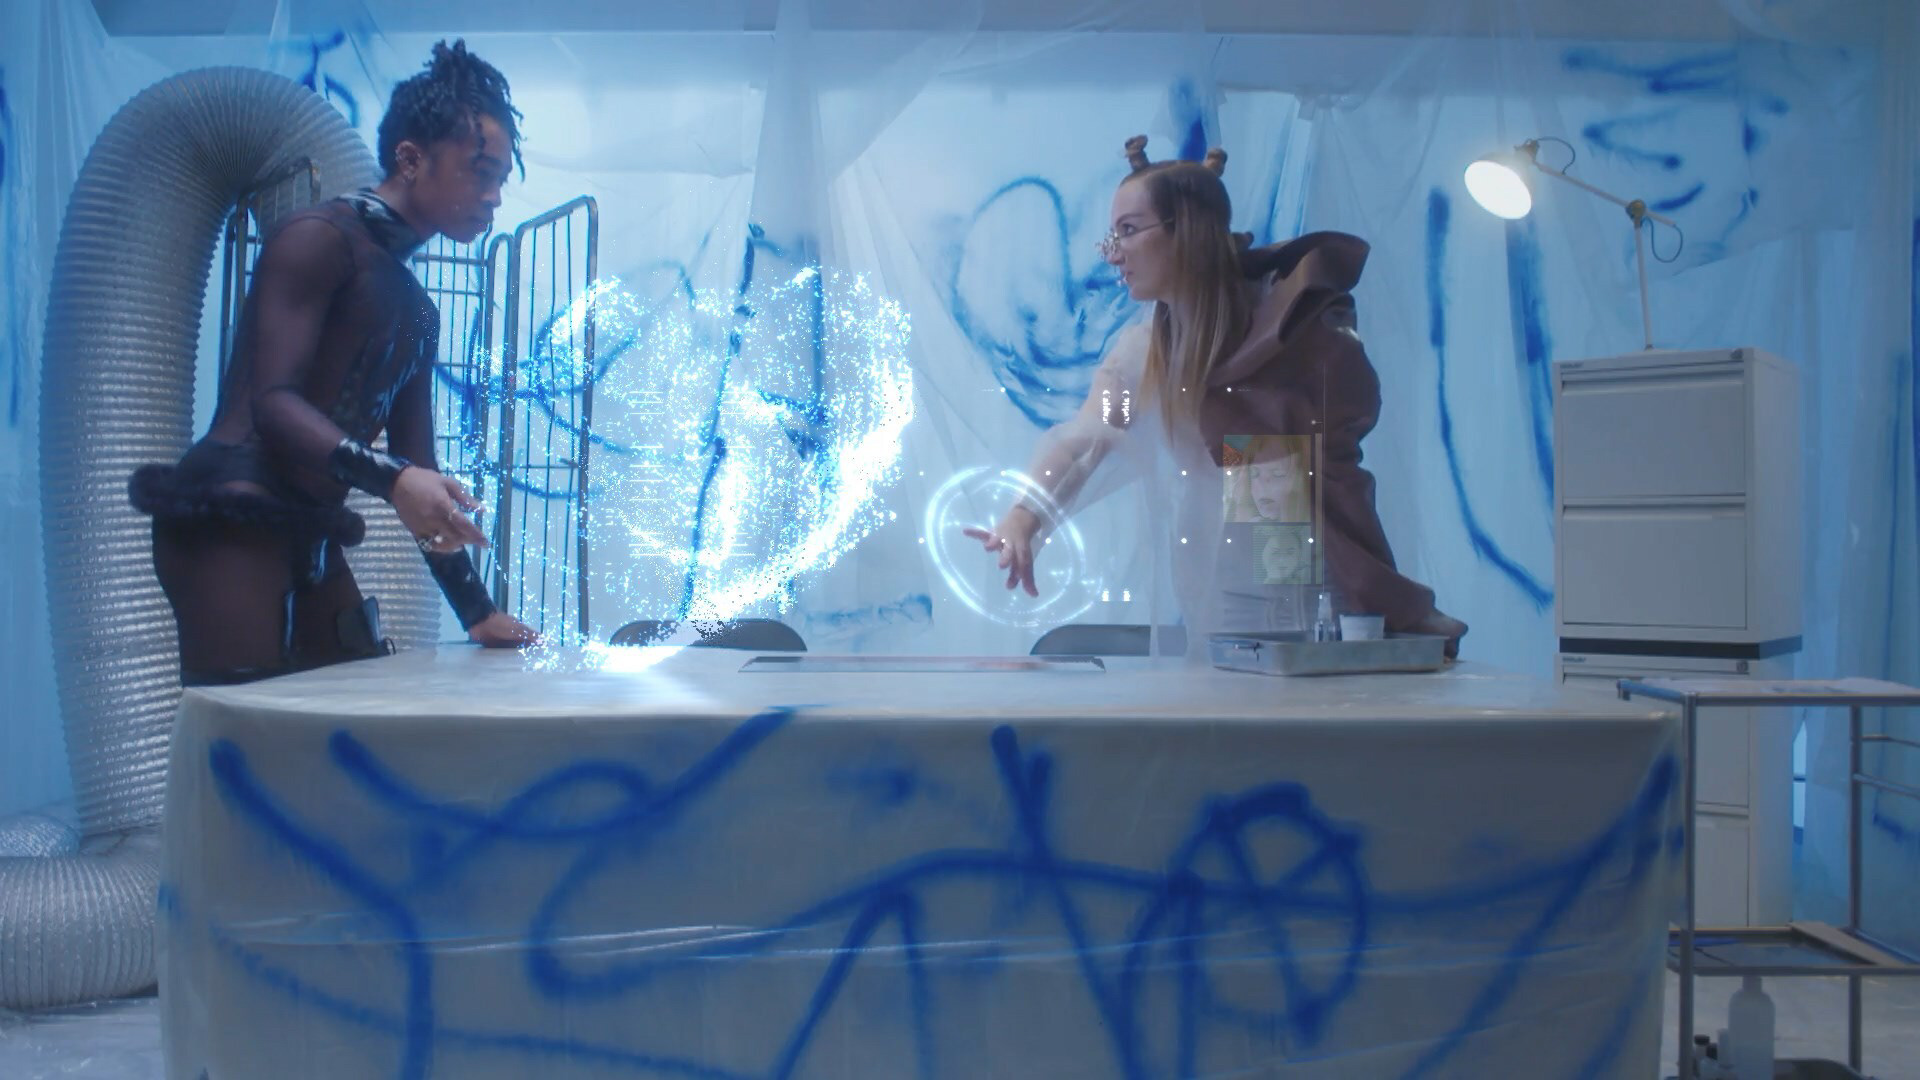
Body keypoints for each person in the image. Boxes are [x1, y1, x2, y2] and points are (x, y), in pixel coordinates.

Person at [129, 40, 538, 686]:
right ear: (411, 159)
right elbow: (273, 405)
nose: (493, 198)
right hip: (229, 514)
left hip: (308, 526)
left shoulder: (417, 312)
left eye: (500, 181)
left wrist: (477, 612)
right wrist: (395, 479)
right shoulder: (318, 238)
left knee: (357, 709)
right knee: (247, 730)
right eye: (479, 173)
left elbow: (417, 465)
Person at [966, 135, 1468, 656]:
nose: (1114, 254)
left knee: (1299, 682)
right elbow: (1090, 436)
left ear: (1187, 230)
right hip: (1220, 582)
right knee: (1238, 680)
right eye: (1113, 235)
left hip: (1313, 577)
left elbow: (1327, 441)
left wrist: (1257, 433)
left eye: (1129, 231)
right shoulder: (1145, 352)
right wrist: (1026, 514)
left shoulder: (1290, 330)